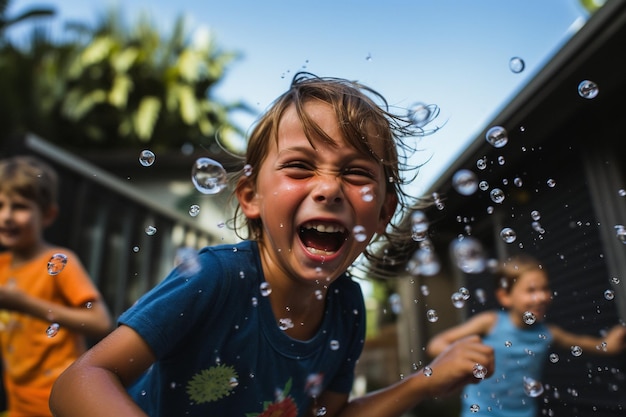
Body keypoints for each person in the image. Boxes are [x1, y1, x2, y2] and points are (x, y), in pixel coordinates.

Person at [50, 72, 494, 417]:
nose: (328, 188)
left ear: (382, 214)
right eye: (300, 167)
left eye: (357, 173)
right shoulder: (216, 278)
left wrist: (424, 381)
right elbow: (80, 380)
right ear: (251, 197)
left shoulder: (347, 306)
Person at [426, 253, 626, 417]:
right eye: (530, 290)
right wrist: (464, 359)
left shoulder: (548, 333)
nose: (541, 297)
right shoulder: (491, 322)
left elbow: (581, 342)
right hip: (480, 411)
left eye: (544, 288)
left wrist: (607, 344)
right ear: (505, 296)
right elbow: (437, 343)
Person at [0, 155, 113, 417]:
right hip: (18, 404)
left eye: (19, 206)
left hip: (60, 403)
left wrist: (25, 304)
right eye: (0, 205)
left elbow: (99, 321)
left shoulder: (59, 263)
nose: (6, 216)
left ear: (48, 214)